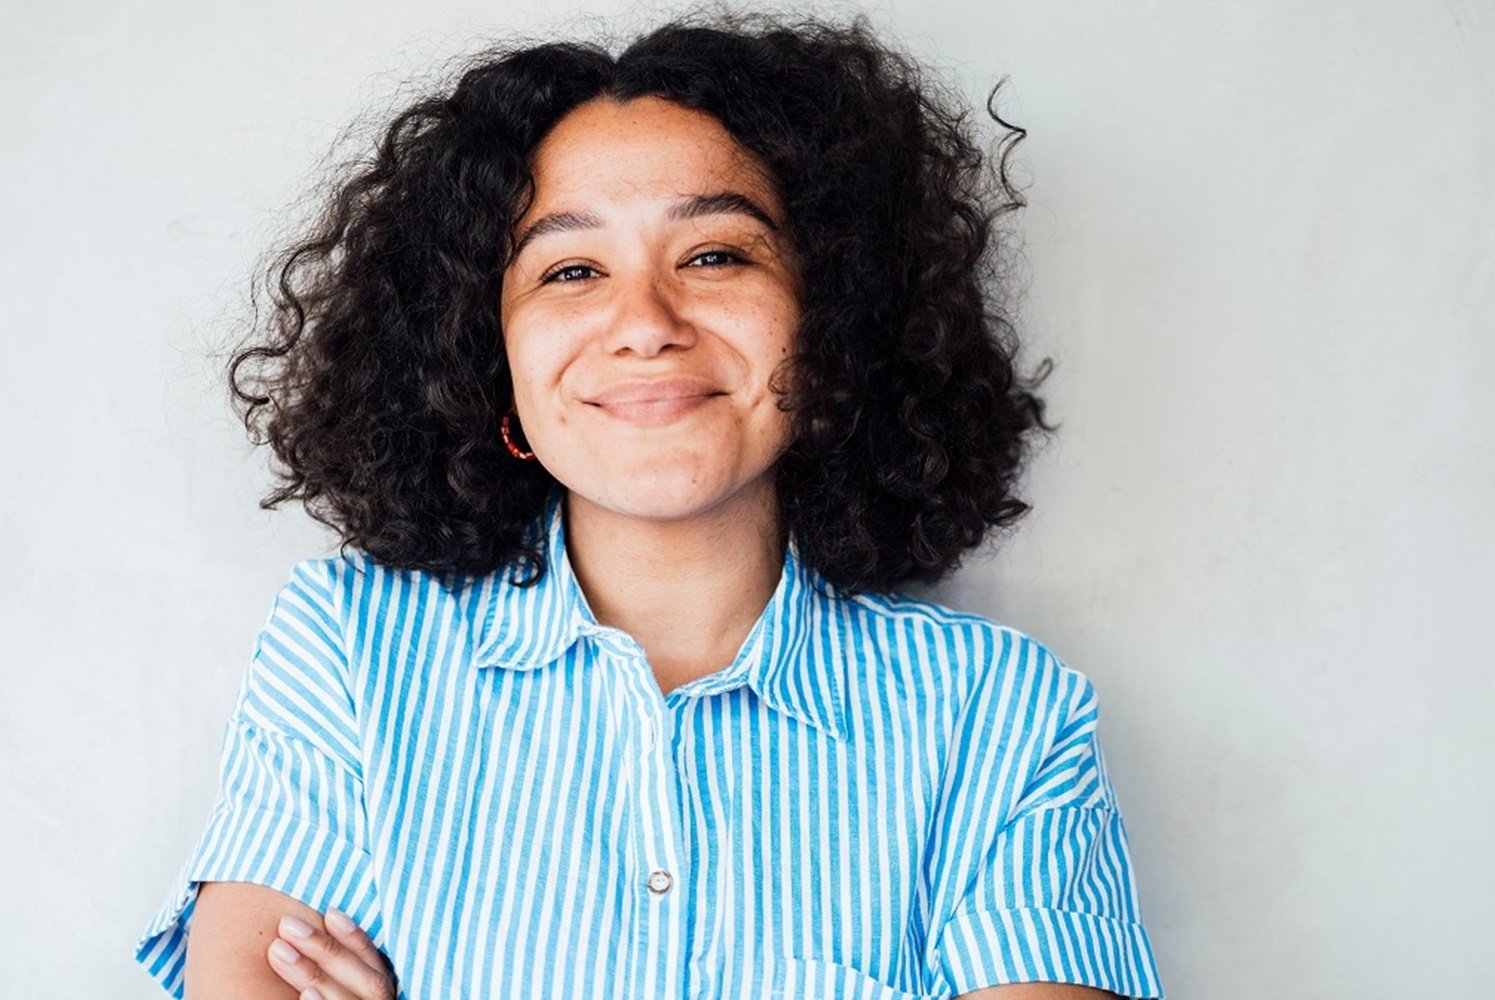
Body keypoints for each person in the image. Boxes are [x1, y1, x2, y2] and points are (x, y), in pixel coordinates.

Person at [134, 12, 1163, 1000]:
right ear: (485, 357)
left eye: (715, 254)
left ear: (833, 316)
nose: (645, 324)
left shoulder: (1004, 716)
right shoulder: (348, 653)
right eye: (572, 269)